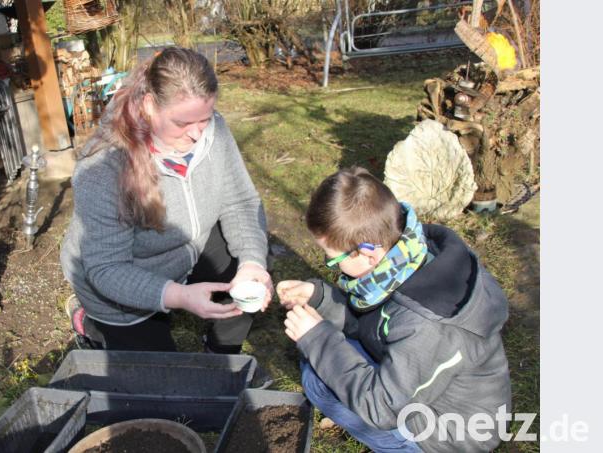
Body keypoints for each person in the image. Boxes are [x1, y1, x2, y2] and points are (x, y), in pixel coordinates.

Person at [278, 167, 511, 452]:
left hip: (454, 433)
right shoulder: (405, 253)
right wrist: (319, 297)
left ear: (367, 254)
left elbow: (382, 408)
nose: (334, 266)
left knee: (318, 382)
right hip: (421, 382)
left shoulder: (428, 325)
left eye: (332, 258)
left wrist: (317, 338)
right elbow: (371, 321)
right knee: (318, 357)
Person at [60, 47, 272, 353]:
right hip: (120, 280)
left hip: (188, 245)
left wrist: (252, 263)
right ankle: (91, 324)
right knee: (163, 370)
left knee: (252, 273)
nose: (198, 134)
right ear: (149, 105)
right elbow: (107, 269)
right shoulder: (102, 167)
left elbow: (240, 201)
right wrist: (179, 296)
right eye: (183, 124)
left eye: (205, 118)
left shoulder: (215, 130)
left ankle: (220, 355)